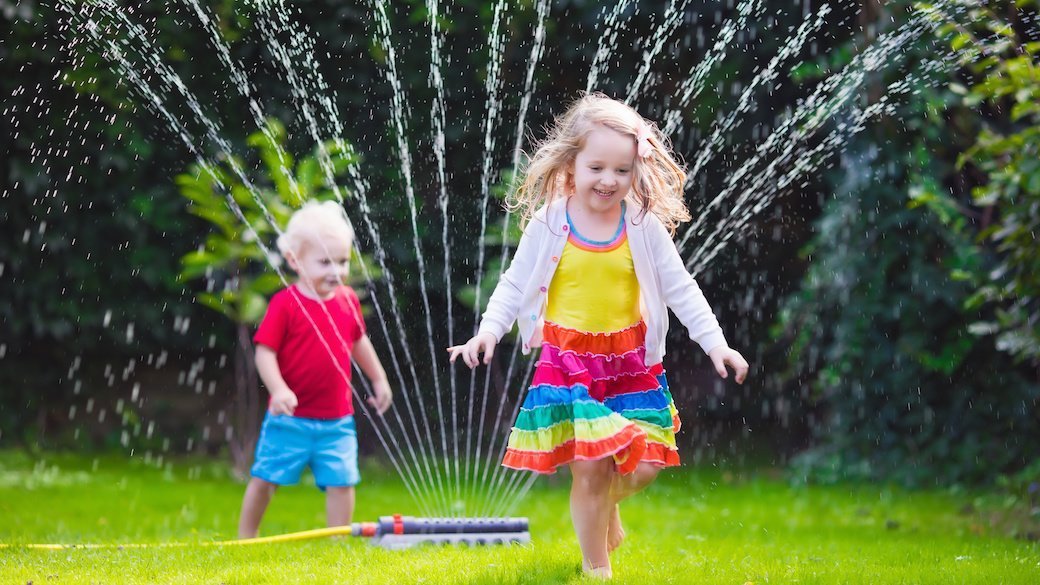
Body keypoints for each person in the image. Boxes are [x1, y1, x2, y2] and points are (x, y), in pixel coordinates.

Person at [447, 93, 749, 578]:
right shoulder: (550, 222)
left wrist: (717, 344)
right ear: (571, 164)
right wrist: (487, 333)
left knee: (647, 463)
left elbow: (681, 288)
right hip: (569, 364)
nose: (609, 180)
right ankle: (596, 568)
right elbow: (514, 283)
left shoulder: (642, 226)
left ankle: (602, 506)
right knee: (589, 466)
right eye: (597, 167)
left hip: (631, 363)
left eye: (622, 171)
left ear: (636, 171)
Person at [238, 201, 393, 539]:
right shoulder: (286, 304)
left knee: (342, 482)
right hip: (289, 418)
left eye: (342, 261)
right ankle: (246, 536)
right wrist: (279, 390)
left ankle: (336, 541)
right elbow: (265, 353)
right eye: (324, 262)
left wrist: (379, 379)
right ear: (295, 261)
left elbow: (358, 342)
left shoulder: (347, 299)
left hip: (336, 419)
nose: (335, 271)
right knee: (266, 479)